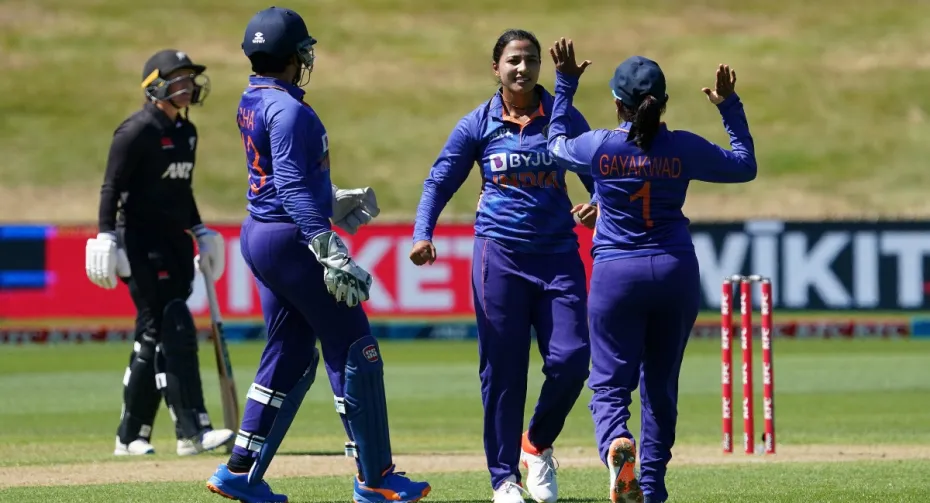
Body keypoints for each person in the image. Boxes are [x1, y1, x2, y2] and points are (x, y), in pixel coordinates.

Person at [204, 7, 431, 503]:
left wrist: (329, 197)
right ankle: (375, 476)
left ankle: (239, 471)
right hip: (291, 239)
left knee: (289, 351)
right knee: (355, 347)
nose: (308, 57)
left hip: (261, 232)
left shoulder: (252, 98)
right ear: (292, 57)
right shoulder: (290, 111)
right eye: (303, 50)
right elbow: (288, 183)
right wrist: (324, 242)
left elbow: (276, 175)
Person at [545, 38, 757, 503]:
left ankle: (617, 442)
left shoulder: (600, 146)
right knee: (660, 386)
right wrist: (728, 106)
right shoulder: (682, 147)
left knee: (609, 383)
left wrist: (564, 84)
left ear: (617, 103)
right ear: (664, 103)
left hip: (617, 273)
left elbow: (555, 146)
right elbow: (745, 166)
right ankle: (653, 487)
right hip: (675, 270)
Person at [410, 29, 597, 503]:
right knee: (503, 371)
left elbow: (598, 169)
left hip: (558, 256)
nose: (523, 68)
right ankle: (503, 478)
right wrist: (422, 233)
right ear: (496, 68)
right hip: (500, 258)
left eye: (531, 60)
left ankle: (536, 444)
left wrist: (598, 200)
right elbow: (439, 181)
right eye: (513, 60)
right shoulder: (478, 123)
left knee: (573, 360)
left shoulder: (562, 115)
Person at [85, 49, 236, 457]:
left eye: (190, 79)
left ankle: (130, 434)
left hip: (174, 243)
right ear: (155, 86)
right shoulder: (135, 131)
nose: (187, 86)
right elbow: (111, 187)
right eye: (178, 79)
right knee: (175, 324)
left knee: (152, 336)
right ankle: (193, 430)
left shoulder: (188, 133)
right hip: (139, 243)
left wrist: (199, 229)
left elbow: (181, 190)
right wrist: (106, 237)